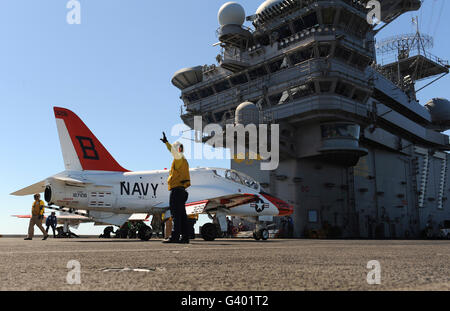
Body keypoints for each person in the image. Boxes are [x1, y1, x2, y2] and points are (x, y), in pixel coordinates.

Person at [160, 132, 191, 244]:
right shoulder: (183, 160)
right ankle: (185, 237)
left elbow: (174, 152)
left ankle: (175, 237)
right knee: (182, 216)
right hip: (182, 191)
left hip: (177, 191)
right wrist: (167, 143)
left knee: (176, 215)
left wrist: (167, 143)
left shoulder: (179, 159)